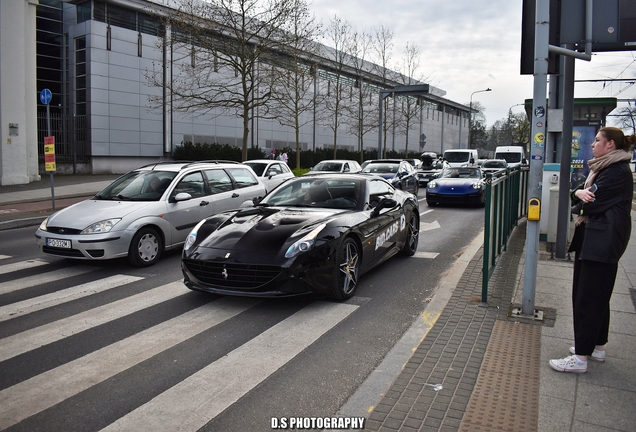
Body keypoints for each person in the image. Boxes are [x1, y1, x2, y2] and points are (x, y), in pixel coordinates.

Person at [549, 127, 635, 373]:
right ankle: (597, 347)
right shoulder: (609, 168)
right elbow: (583, 199)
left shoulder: (614, 171)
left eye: (597, 140)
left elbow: (589, 205)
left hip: (601, 243)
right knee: (598, 297)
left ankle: (580, 359)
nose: (592, 144)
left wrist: (578, 200)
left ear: (610, 145)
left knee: (586, 298)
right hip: (601, 241)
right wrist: (577, 193)